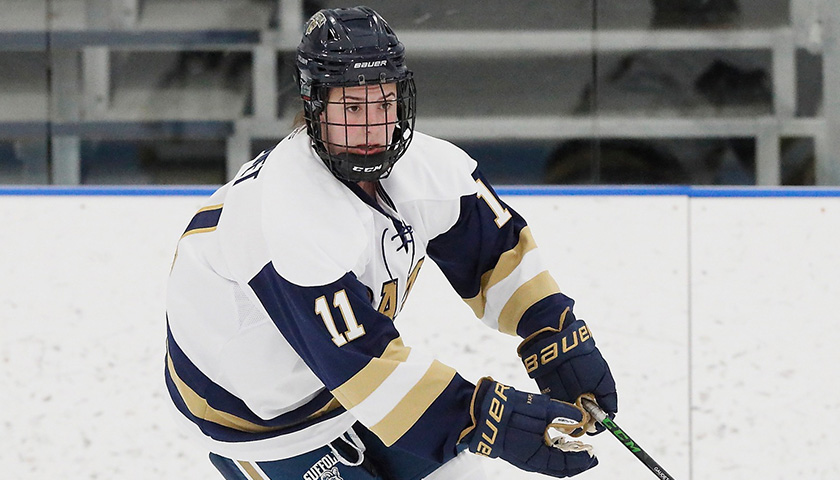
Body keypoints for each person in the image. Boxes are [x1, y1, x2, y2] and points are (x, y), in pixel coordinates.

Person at [164, 6, 618, 480]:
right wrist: (488, 418)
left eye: (383, 104)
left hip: (350, 390)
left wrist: (554, 333)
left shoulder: (431, 168)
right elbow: (361, 363)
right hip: (259, 421)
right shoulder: (286, 217)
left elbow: (497, 251)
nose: (371, 128)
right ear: (314, 106)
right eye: (352, 108)